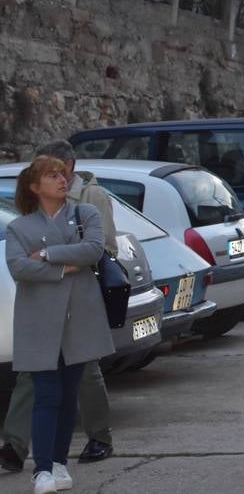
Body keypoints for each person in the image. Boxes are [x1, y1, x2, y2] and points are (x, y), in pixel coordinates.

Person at [1, 141, 118, 472]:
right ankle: (19, 448)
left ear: (70, 165)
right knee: (35, 381)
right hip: (45, 310)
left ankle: (98, 436)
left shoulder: (91, 200)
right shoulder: (23, 224)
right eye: (50, 173)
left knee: (83, 377)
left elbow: (98, 247)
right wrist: (63, 265)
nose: (61, 179)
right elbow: (20, 265)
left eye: (59, 171)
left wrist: (49, 255)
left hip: (79, 305)